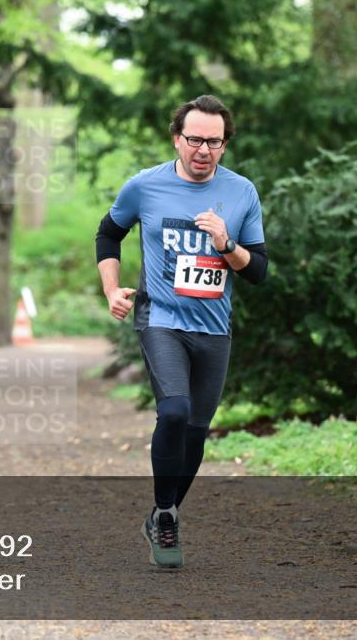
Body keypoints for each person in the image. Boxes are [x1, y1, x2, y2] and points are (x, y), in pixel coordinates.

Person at [95, 95, 267, 568]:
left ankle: (162, 513)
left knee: (196, 430)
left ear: (225, 145)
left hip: (213, 328)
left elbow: (259, 271)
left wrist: (226, 244)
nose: (203, 150)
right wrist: (112, 288)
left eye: (214, 141)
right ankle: (168, 515)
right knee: (173, 411)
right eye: (195, 139)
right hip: (160, 319)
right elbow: (108, 234)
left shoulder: (241, 193)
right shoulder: (145, 186)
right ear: (178, 139)